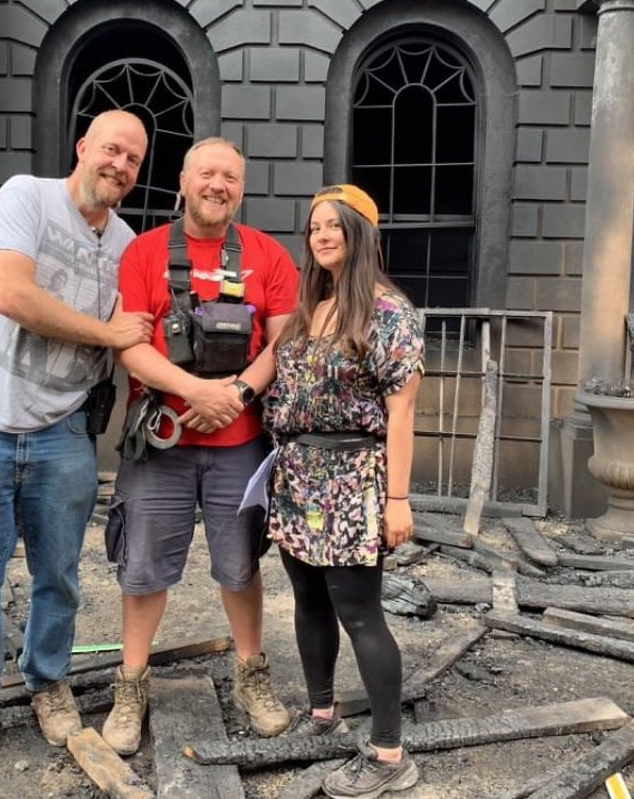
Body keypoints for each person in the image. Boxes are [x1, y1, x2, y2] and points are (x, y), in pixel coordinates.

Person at [0, 110, 154, 778]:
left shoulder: (128, 244)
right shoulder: (24, 196)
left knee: (59, 577)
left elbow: (140, 331)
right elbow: (13, 295)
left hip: (64, 433)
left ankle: (47, 681)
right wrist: (107, 333)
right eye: (112, 149)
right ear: (83, 147)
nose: (120, 165)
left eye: (135, 160)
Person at [100, 137, 298, 756]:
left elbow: (283, 343)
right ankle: (131, 685)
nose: (219, 185)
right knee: (141, 569)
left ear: (241, 187)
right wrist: (195, 392)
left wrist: (236, 395)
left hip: (241, 445)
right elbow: (127, 344)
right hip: (161, 440)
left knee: (240, 567)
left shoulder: (268, 256)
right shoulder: (143, 253)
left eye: (231, 177)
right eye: (207, 173)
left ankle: (251, 676)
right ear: (182, 182)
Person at [263, 184, 425, 799]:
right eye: (314, 228)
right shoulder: (312, 309)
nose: (322, 235)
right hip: (298, 475)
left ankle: (388, 754)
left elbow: (402, 414)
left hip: (354, 479)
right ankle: (323, 714)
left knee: (359, 611)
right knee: (307, 599)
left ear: (361, 234)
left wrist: (398, 499)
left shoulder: (388, 314)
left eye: (335, 225)